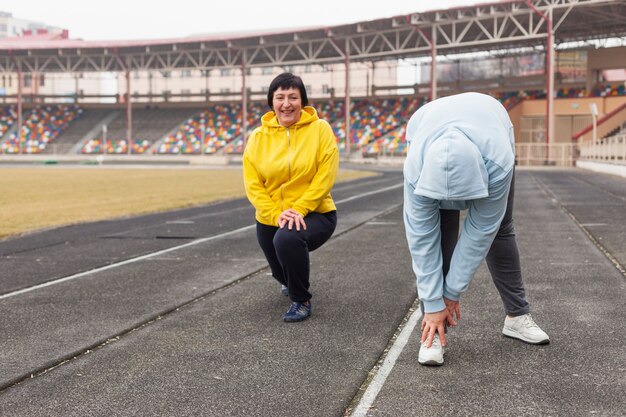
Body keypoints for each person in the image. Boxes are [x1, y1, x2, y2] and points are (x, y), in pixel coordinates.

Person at [403, 92, 549, 366]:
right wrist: (435, 303)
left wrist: (451, 292)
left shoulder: (498, 162)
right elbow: (422, 239)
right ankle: (433, 331)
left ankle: (516, 316)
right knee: (441, 229)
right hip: (426, 123)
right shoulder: (415, 170)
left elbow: (481, 231)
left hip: (492, 122)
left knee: (501, 229)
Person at [243, 73, 339, 322]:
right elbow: (253, 184)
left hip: (316, 211)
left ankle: (301, 300)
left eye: (293, 97)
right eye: (280, 97)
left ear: (302, 101)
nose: (286, 103)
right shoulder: (257, 137)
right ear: (271, 102)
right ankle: (288, 280)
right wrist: (276, 213)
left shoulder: (320, 129)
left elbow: (325, 176)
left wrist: (300, 209)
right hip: (272, 215)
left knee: (286, 239)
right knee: (279, 270)